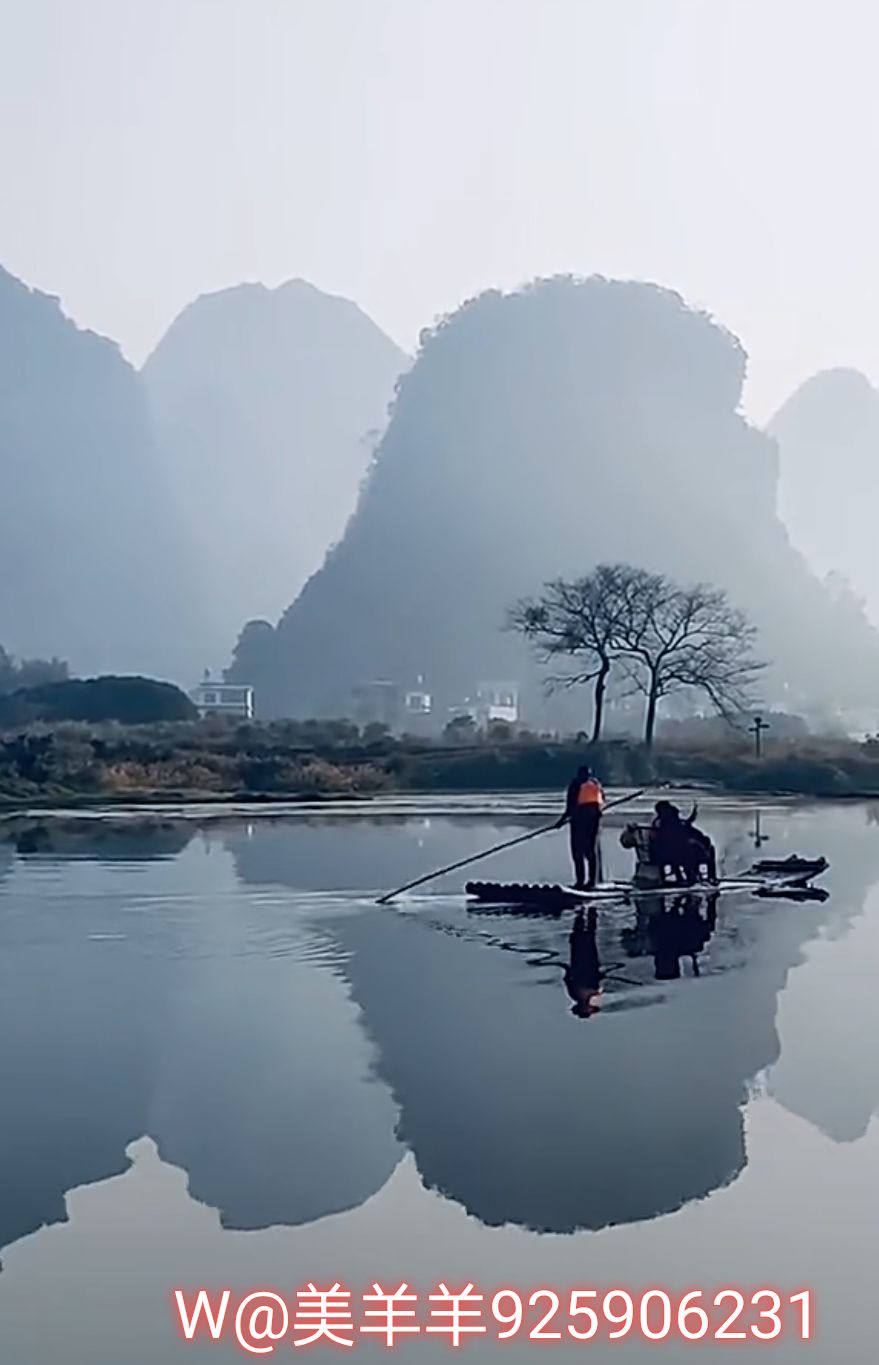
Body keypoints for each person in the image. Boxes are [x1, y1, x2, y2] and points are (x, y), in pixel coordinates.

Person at [556, 764, 604, 889]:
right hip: (594, 820)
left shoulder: (576, 784)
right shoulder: (596, 783)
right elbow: (601, 800)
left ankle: (580, 882)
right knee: (590, 851)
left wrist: (561, 821)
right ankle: (592, 881)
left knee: (578, 852)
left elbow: (571, 805)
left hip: (579, 821)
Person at [563, 908, 603, 1017]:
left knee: (579, 938)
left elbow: (567, 980)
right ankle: (592, 911)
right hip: (591, 964)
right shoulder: (593, 994)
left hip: (580, 964)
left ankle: (580, 913)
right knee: (590, 937)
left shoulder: (575, 994)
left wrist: (569, 970)